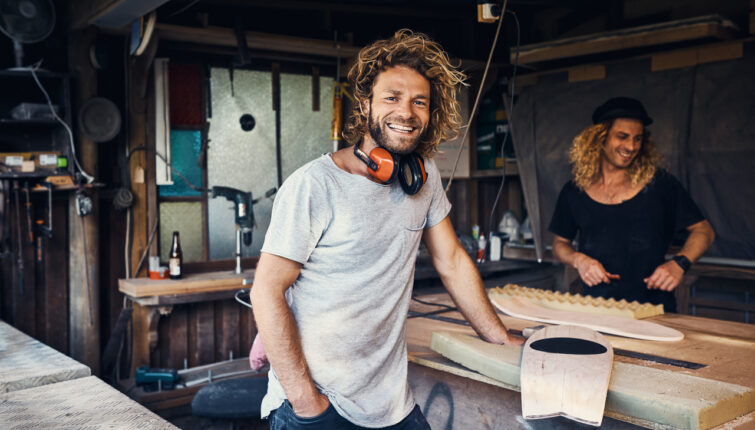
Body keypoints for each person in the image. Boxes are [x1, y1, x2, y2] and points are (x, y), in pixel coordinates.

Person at [250, 29, 523, 429]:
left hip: (392, 403)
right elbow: (266, 290)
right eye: (392, 98)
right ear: (365, 106)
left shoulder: (424, 176)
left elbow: (451, 261)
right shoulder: (316, 185)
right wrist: (307, 401)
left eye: (419, 102)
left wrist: (498, 337)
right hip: (319, 404)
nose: (407, 112)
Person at [549, 97, 715, 312]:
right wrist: (579, 260)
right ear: (599, 138)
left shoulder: (659, 185)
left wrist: (679, 264)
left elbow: (704, 231)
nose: (631, 146)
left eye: (638, 139)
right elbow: (559, 244)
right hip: (596, 310)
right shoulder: (574, 191)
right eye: (622, 137)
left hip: (654, 312)